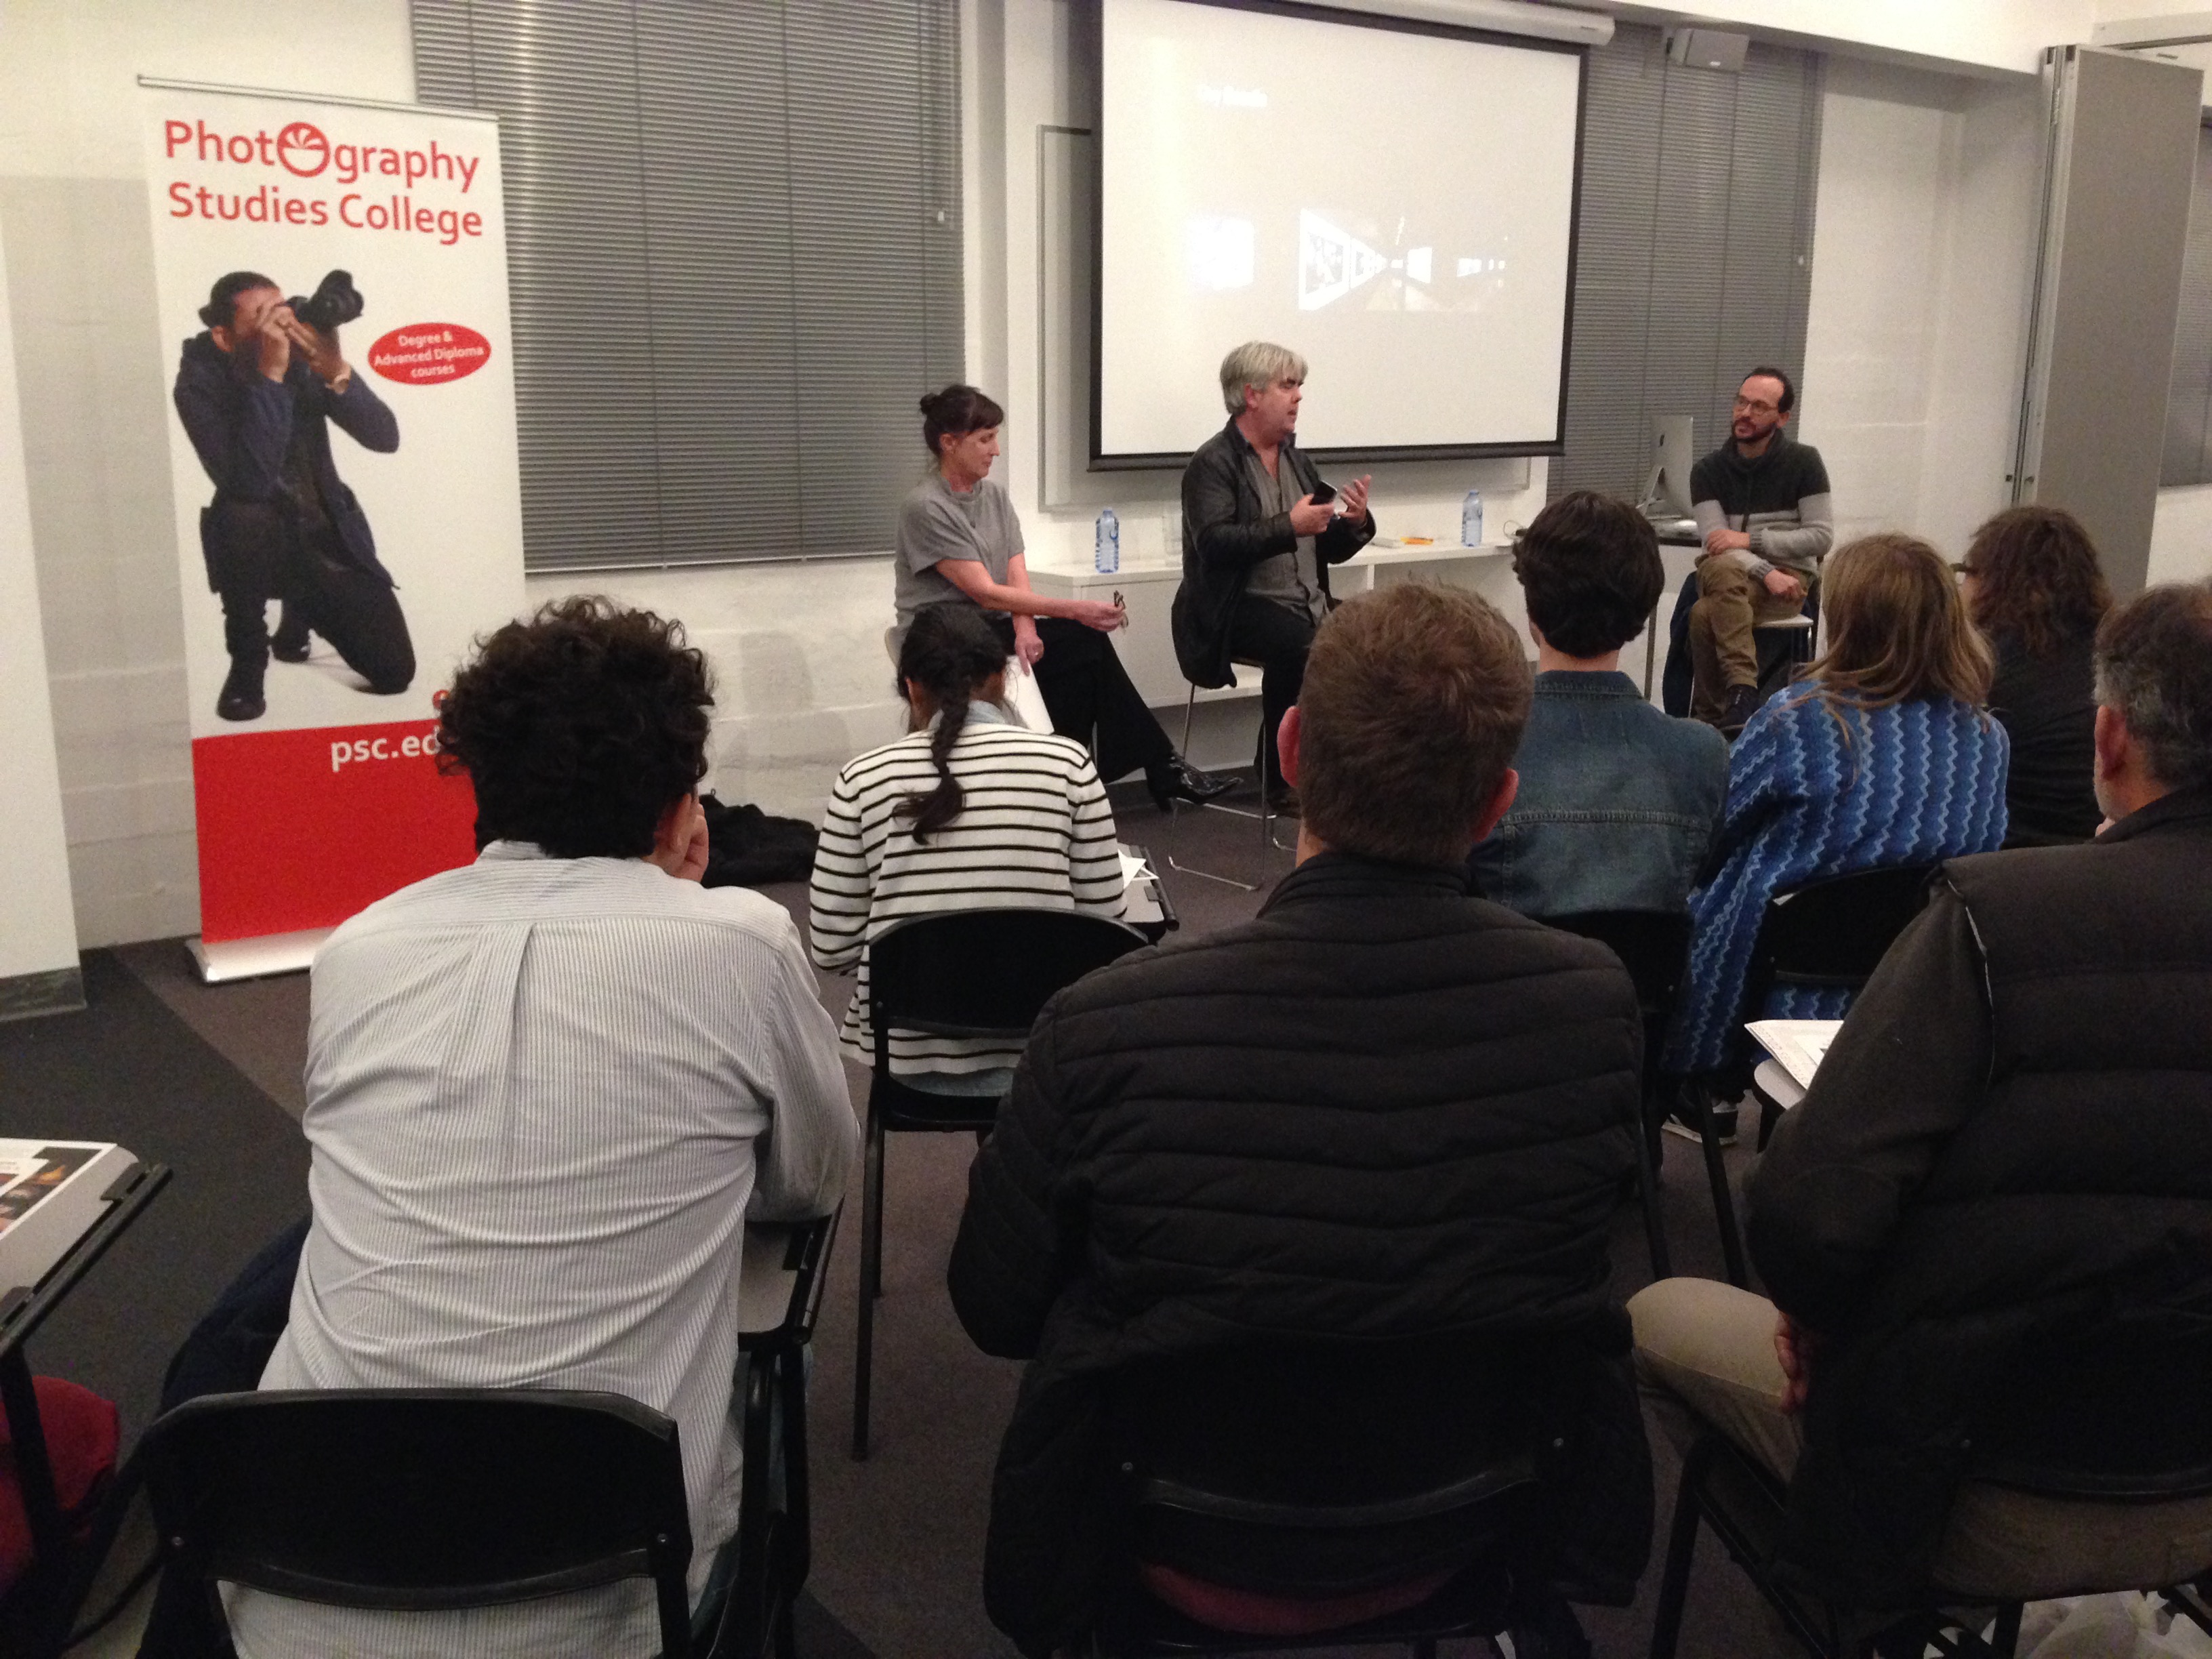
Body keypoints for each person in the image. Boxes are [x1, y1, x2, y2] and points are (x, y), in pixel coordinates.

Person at [948, 584, 1652, 1658]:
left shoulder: (1105, 1024)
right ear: (1498, 803)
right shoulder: (1592, 1005)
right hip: (1471, 1531)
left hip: (1168, 1540)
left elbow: (997, 1308)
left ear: (1289, 750)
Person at [225, 598, 859, 1658]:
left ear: (481, 781)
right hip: (611, 1603)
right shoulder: (741, 943)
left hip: (291, 1581)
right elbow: (811, 1184)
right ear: (681, 803)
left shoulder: (359, 948)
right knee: (767, 1362)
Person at [1629, 580, 2212, 1609]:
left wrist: (1823, 1319)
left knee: (1652, 1315)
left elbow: (1810, 1215)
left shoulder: (2002, 921)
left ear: (2110, 736)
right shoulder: (1981, 769)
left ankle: (1821, 1605)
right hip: (2192, 1472)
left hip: (1974, 1469)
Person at [1661, 533, 2010, 1137]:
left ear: (1846, 621)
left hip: (1788, 991)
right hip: (1922, 985)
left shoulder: (1800, 721)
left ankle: (1707, 1090)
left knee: (1730, 874)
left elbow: (1713, 833)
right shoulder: (1987, 740)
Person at [810, 603, 1125, 1097]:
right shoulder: (1069, 765)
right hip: (1045, 1060)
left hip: (910, 1067)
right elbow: (1104, 922)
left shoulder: (861, 780)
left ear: (911, 687)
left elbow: (832, 950)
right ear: (1003, 677)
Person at [895, 384, 1229, 811]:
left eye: (996, 437)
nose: (996, 450)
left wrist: (1026, 628)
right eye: (985, 439)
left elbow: (1015, 572)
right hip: (942, 639)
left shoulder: (994, 496)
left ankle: (1074, 778)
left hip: (989, 629)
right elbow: (985, 591)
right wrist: (1075, 609)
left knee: (1081, 653)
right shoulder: (925, 506)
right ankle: (1128, 770)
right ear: (949, 443)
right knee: (1080, 640)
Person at [1469, 490, 1728, 917]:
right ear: (1643, 610)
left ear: (1531, 606)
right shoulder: (1703, 755)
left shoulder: (1479, 748)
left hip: (1513, 959)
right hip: (1649, 964)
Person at [172, 270, 415, 722]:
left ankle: (302, 606)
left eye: (282, 310)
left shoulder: (304, 361)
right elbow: (250, 481)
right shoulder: (199, 381)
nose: (281, 324)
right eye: (263, 317)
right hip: (257, 544)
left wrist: (334, 371)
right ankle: (248, 662)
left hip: (323, 531)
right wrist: (271, 375)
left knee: (394, 674)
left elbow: (385, 438)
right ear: (224, 337)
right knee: (243, 512)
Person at [1172, 340, 1376, 811]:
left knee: (1381, 634)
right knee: (1300, 646)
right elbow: (1214, 544)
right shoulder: (1213, 463)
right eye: (1288, 385)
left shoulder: (1297, 461)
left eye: (1299, 385)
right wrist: (1290, 525)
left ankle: (1349, 767)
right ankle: (1281, 775)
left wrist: (1356, 522)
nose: (1298, 396)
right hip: (1235, 606)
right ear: (1252, 395)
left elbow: (1325, 548)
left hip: (1305, 601)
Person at [1668, 366, 1834, 733]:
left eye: (1759, 407)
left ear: (1782, 418)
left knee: (1703, 612)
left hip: (1790, 580)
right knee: (1721, 566)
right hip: (1739, 574)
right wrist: (1765, 571)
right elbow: (1716, 543)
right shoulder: (1708, 471)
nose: (1745, 413)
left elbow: (1821, 536)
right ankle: (1744, 689)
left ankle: (1709, 720)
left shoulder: (1804, 463)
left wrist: (1750, 541)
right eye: (1741, 402)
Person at [1959, 504, 2112, 846]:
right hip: (2102, 849)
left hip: (2008, 856)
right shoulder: (2120, 658)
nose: (1961, 587)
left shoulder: (1980, 672)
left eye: (1967, 572)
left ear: (1992, 582)